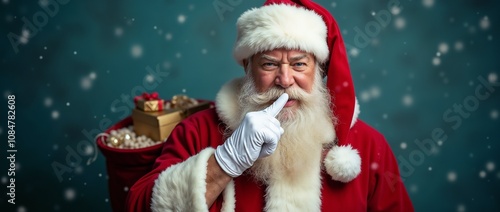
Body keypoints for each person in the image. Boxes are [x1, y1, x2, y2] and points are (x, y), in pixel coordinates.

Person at [126, 0, 414, 211]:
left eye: (299, 64)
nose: (285, 79)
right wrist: (225, 162)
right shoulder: (197, 131)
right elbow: (138, 207)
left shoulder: (367, 145)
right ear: (248, 68)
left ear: (320, 71)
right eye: (270, 64)